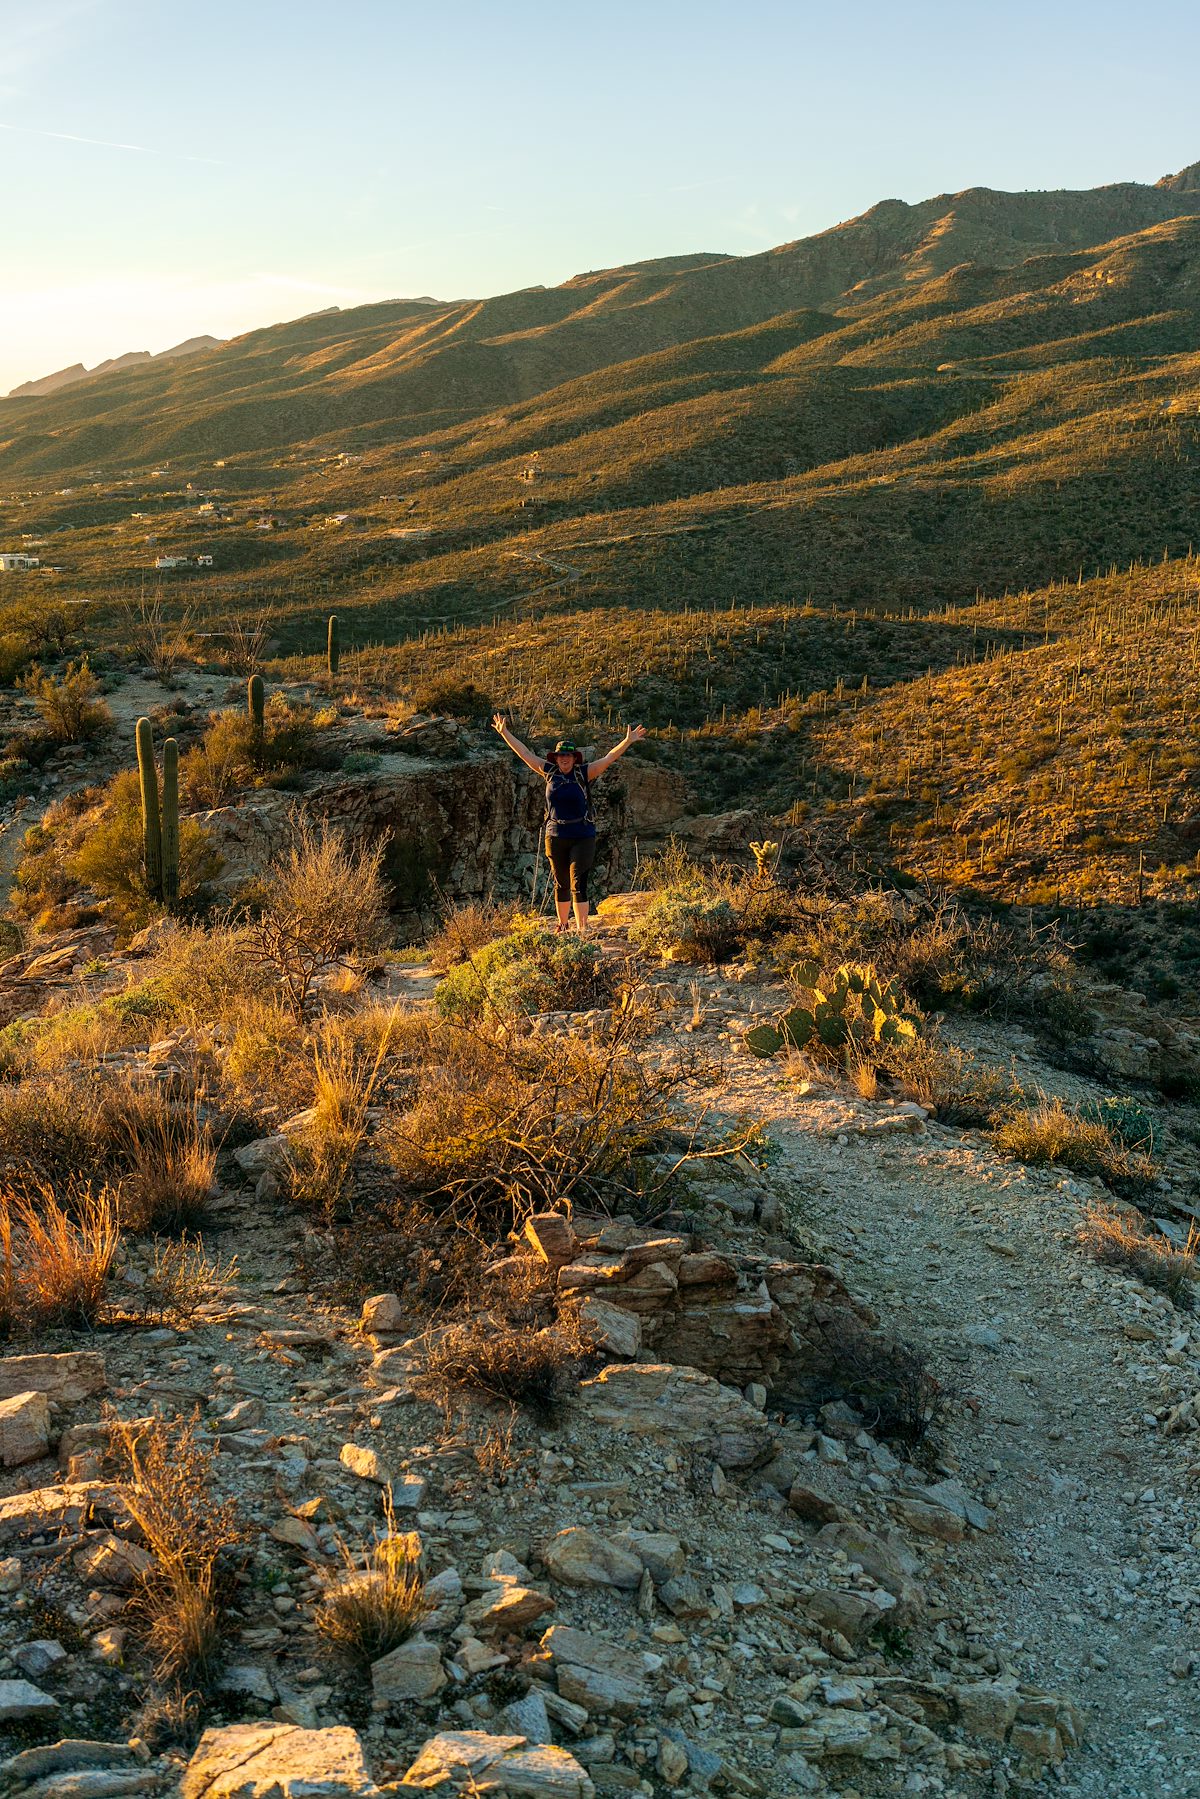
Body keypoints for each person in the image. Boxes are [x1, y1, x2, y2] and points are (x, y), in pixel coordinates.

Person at [492, 715, 647, 935]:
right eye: (560, 755)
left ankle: (583, 927)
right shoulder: (549, 772)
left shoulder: (584, 773)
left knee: (579, 881)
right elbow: (524, 753)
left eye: (568, 755)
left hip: (582, 834)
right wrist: (504, 733)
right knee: (560, 881)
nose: (564, 759)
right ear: (556, 758)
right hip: (555, 834)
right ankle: (563, 925)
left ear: (575, 758)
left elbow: (609, 757)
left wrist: (628, 741)